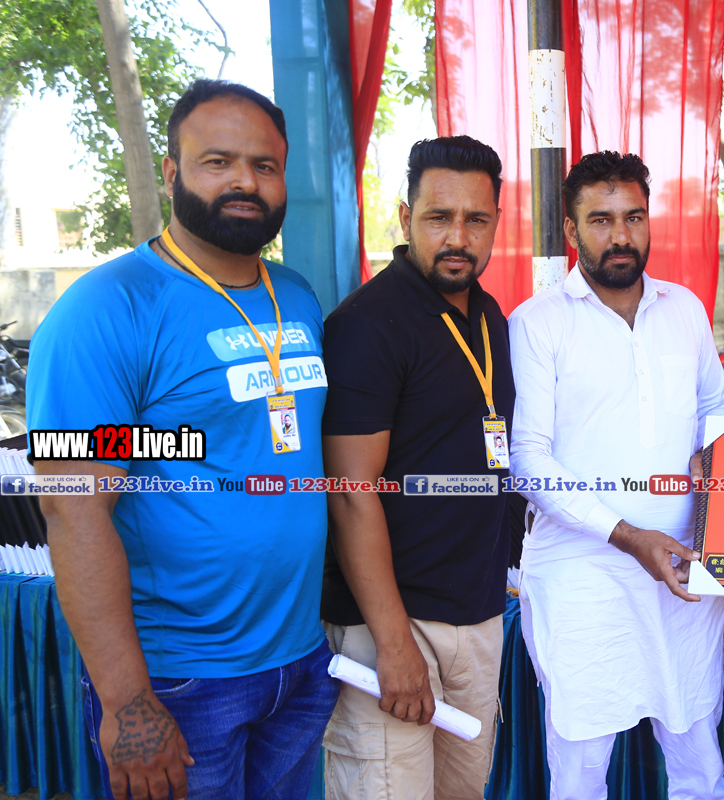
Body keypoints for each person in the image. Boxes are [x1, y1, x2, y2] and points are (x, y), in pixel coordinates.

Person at [28, 79, 337, 800]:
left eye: (264, 165)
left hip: (298, 662)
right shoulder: (107, 309)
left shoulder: (295, 294)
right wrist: (127, 702)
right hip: (180, 682)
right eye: (217, 161)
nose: (244, 181)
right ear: (171, 172)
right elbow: (73, 508)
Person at [509, 151, 724, 800]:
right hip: (583, 574)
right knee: (582, 763)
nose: (620, 235)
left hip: (687, 566)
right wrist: (630, 536)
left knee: (698, 752)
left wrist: (717, 453)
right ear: (571, 230)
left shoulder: (684, 308)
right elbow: (528, 459)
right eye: (601, 220)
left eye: (633, 217)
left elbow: (715, 407)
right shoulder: (538, 321)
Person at [319, 136, 515, 800]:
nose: (458, 237)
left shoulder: (488, 315)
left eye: (476, 219)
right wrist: (393, 642)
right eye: (438, 217)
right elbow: (350, 493)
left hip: (478, 615)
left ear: (496, 221)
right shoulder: (368, 323)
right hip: (393, 626)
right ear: (406, 218)